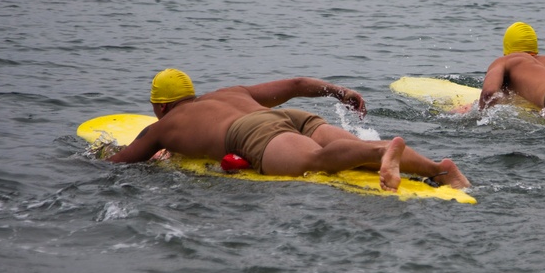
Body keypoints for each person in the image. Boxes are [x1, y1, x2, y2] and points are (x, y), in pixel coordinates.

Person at [105, 68, 470, 191]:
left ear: (160, 107)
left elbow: (122, 161)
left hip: (250, 134)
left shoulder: (164, 126)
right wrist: (339, 92)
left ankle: (380, 152)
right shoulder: (229, 92)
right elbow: (296, 83)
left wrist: (98, 154)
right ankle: (441, 169)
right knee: (337, 144)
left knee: (316, 161)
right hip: (292, 117)